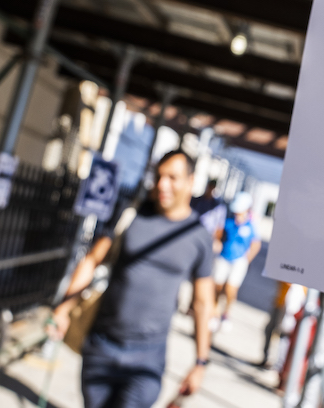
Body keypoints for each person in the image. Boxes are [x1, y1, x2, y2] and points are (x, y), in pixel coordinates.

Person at [51, 150, 215, 408]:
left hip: (147, 358)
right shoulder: (131, 214)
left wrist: (201, 362)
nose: (163, 185)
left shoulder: (199, 237)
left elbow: (203, 303)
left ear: (191, 182)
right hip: (102, 346)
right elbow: (93, 260)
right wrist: (63, 309)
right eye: (159, 176)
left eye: (173, 178)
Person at [211, 192, 261, 331]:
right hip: (224, 257)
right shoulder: (228, 222)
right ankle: (214, 311)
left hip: (239, 261)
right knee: (218, 286)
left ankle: (226, 313)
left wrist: (247, 259)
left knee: (231, 289)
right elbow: (218, 234)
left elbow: (256, 244)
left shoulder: (251, 226)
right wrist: (217, 242)